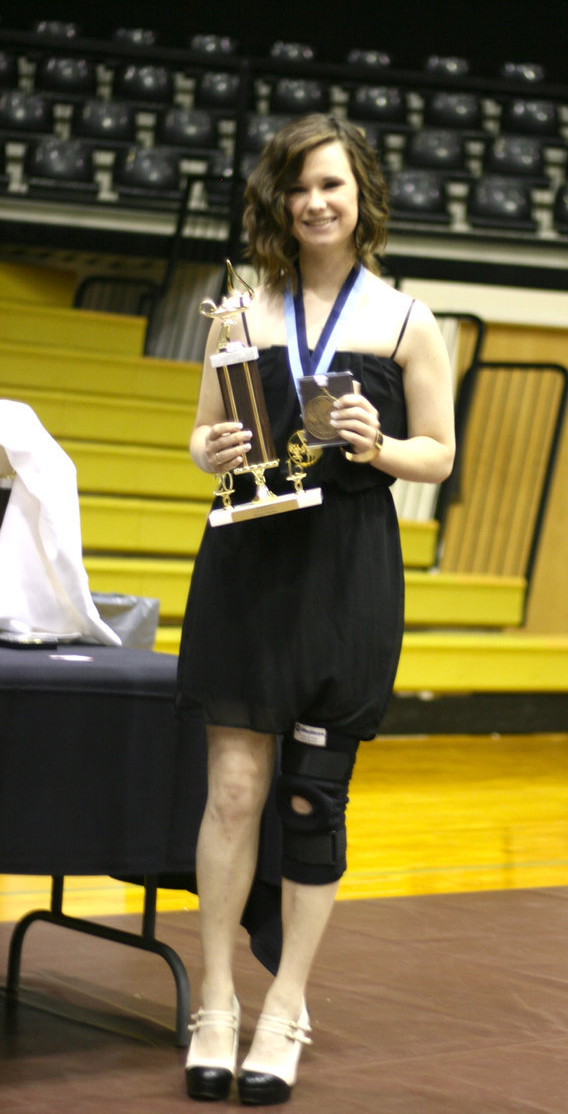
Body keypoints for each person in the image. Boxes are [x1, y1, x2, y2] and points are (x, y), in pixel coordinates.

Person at [176, 112, 455, 1105]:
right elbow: (207, 439)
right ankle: (213, 997)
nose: (314, 201)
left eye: (331, 184)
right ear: (279, 202)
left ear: (360, 196)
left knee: (311, 798)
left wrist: (378, 446)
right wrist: (207, 450)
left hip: (345, 571)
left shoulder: (406, 320)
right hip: (249, 562)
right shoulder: (241, 312)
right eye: (297, 187)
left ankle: (284, 1003)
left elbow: (438, 453)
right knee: (236, 792)